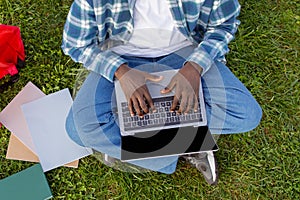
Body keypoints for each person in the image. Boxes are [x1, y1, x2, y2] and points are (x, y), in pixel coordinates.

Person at [62, 0, 262, 185]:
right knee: (76, 130)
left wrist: (195, 66)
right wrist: (120, 71)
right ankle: (185, 148)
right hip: (121, 57)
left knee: (246, 114)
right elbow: (75, 43)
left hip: (186, 52)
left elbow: (223, 26)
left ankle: (128, 141)